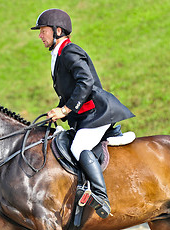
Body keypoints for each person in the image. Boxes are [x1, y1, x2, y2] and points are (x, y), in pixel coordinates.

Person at [31, 9, 135, 218]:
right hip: (85, 115)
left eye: (43, 31)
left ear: (57, 31)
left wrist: (66, 109)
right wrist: (58, 110)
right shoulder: (59, 54)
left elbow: (85, 82)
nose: (40, 36)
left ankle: (100, 195)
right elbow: (70, 91)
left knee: (79, 147)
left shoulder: (69, 52)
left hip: (98, 112)